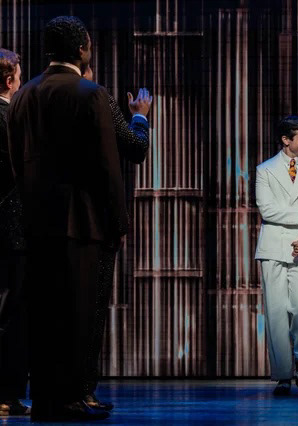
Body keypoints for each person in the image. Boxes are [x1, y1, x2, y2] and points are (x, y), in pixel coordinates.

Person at [7, 16, 127, 421]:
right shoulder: (91, 94)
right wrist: (117, 222)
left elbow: (16, 162)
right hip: (82, 222)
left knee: (43, 315)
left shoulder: (24, 94)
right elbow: (108, 166)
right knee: (77, 313)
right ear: (82, 48)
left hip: (35, 223)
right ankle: (72, 397)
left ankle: (45, 398)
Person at [80, 64, 152, 411]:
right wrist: (140, 117)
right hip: (93, 220)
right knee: (91, 306)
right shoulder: (97, 98)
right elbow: (135, 148)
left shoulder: (27, 98)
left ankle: (50, 391)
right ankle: (82, 390)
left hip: (42, 219)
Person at [254, 115, 298, 395]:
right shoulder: (265, 170)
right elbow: (267, 210)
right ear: (286, 140)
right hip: (273, 247)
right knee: (275, 312)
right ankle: (283, 374)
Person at [0, 47, 29, 416]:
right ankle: (6, 393)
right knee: (11, 311)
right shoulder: (9, 119)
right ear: (9, 81)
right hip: (11, 228)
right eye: (19, 78)